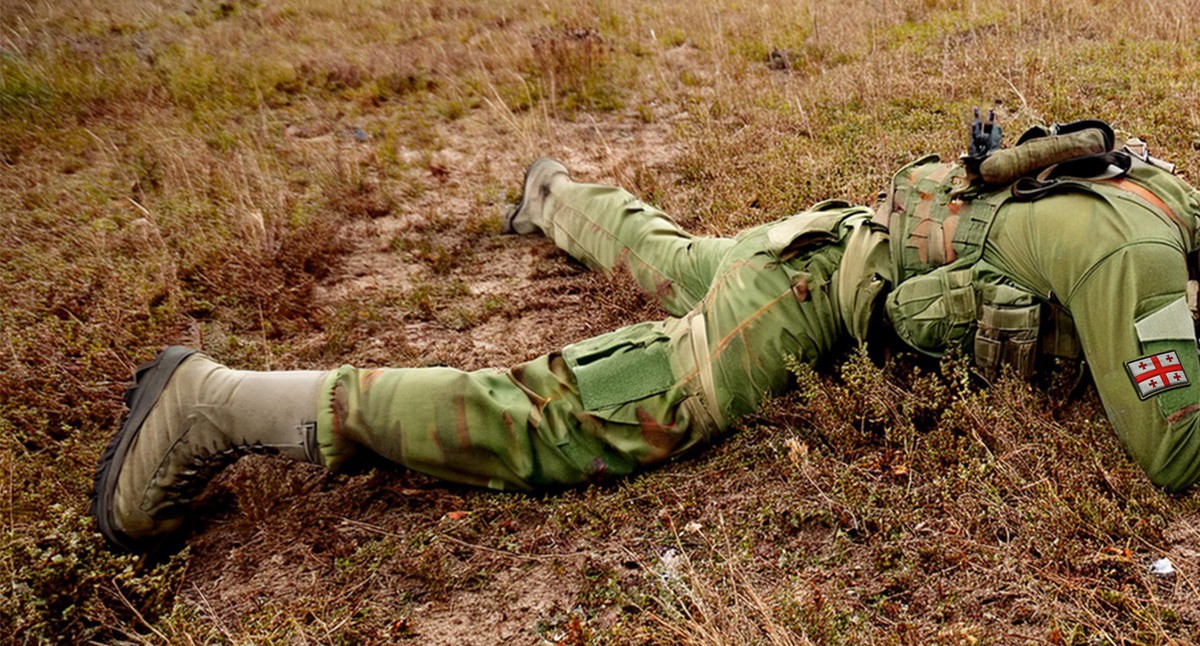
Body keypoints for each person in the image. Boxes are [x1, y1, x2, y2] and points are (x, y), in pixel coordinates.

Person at [92, 119, 1200, 552]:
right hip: (812, 297)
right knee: (569, 420)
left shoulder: (1164, 196)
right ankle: (221, 403)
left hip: (833, 239)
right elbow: (1175, 447)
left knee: (680, 258)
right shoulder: (1135, 255)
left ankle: (554, 194)